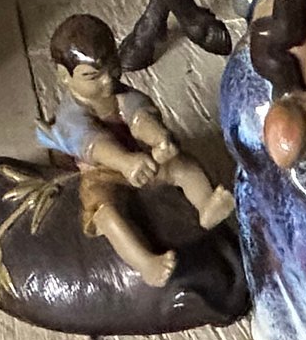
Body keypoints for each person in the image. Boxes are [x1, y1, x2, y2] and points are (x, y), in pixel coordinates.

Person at [38, 14, 236, 287]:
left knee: (184, 166)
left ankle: (205, 206)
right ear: (64, 76)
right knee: (106, 213)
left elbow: (139, 116)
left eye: (112, 67)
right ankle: (146, 264)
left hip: (140, 159)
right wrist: (125, 162)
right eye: (93, 76)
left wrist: (159, 139)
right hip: (100, 172)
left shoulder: (121, 95)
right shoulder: (69, 115)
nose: (108, 81)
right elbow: (93, 143)